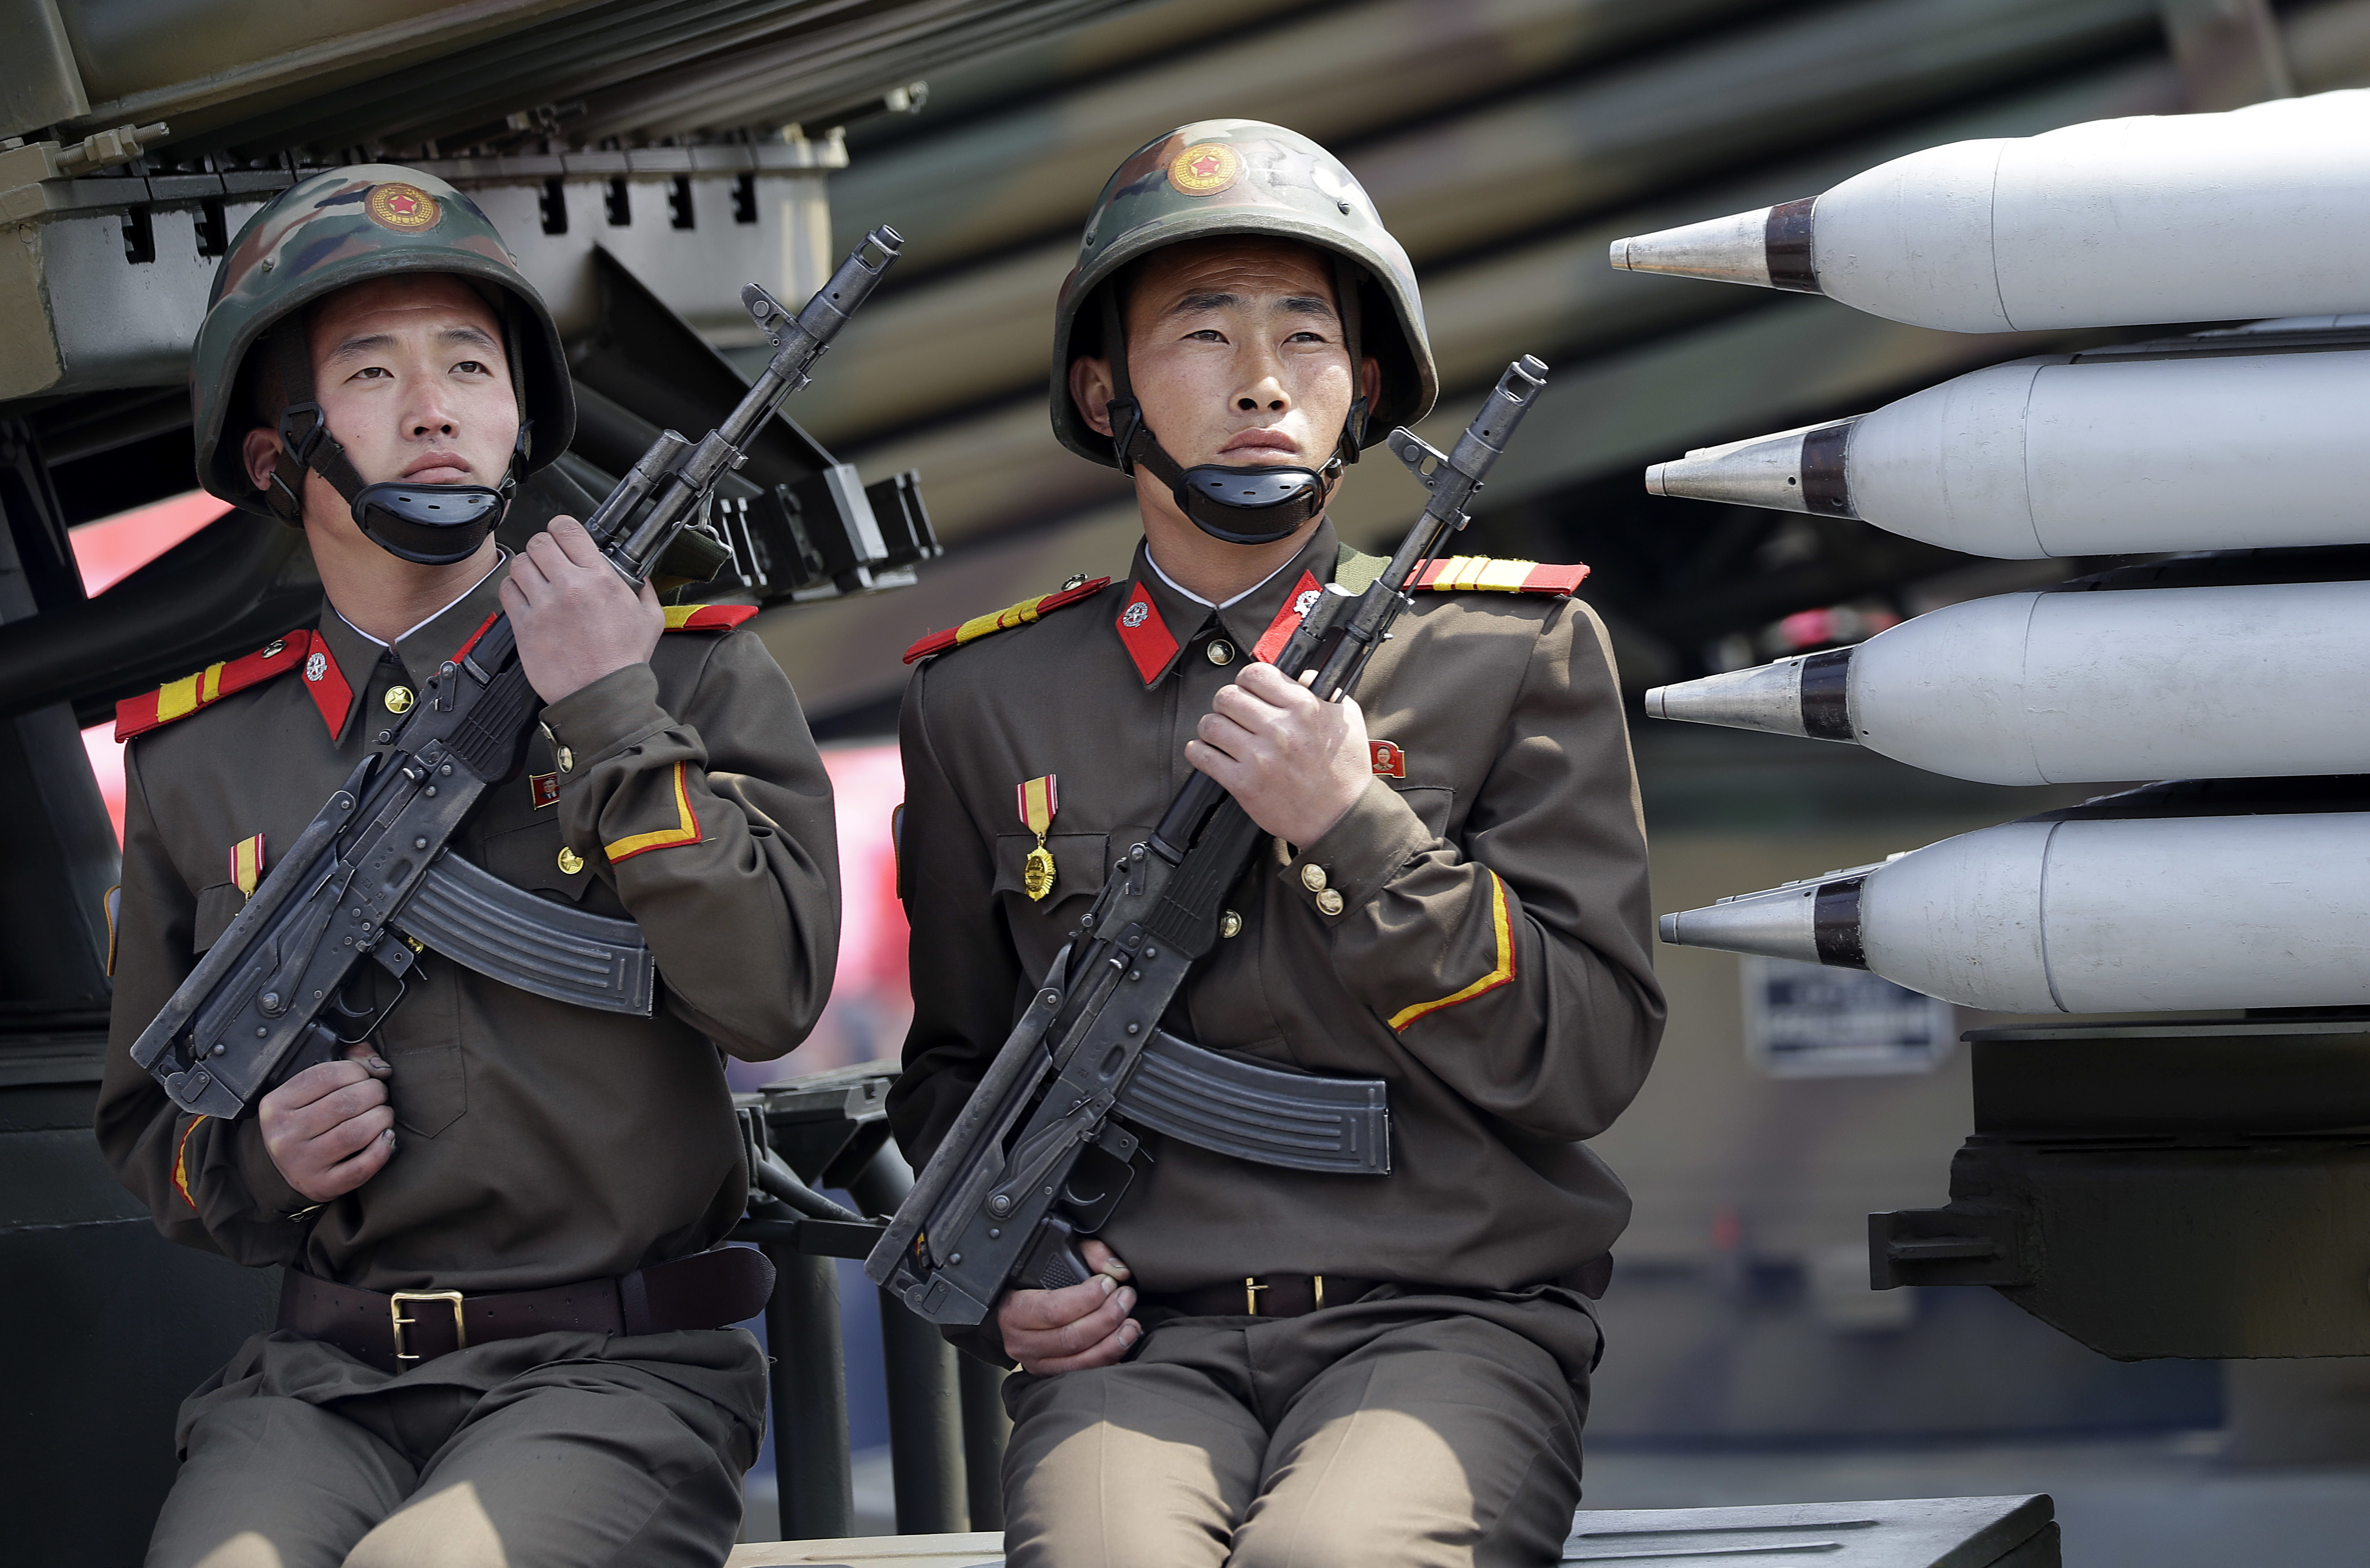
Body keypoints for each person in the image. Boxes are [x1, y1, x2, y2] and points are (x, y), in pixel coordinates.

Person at [886, 120, 1665, 1566]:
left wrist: (1352, 827)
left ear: (1365, 388)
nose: (1259, 379)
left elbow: (1588, 1058)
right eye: (1202, 332)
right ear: (1102, 390)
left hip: (1443, 1322)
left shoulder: (1507, 653)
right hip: (1137, 1350)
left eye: (1305, 336)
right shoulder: (985, 698)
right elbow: (955, 1071)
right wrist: (1019, 1271)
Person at [95, 166, 839, 1568]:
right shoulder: (199, 763)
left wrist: (609, 708)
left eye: (471, 367)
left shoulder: (684, 673)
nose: (436, 407)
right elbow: (154, 1135)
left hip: (616, 1374)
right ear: (275, 456)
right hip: (319, 1389)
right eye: (372, 373)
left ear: (519, 418)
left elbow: (769, 999)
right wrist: (258, 1158)